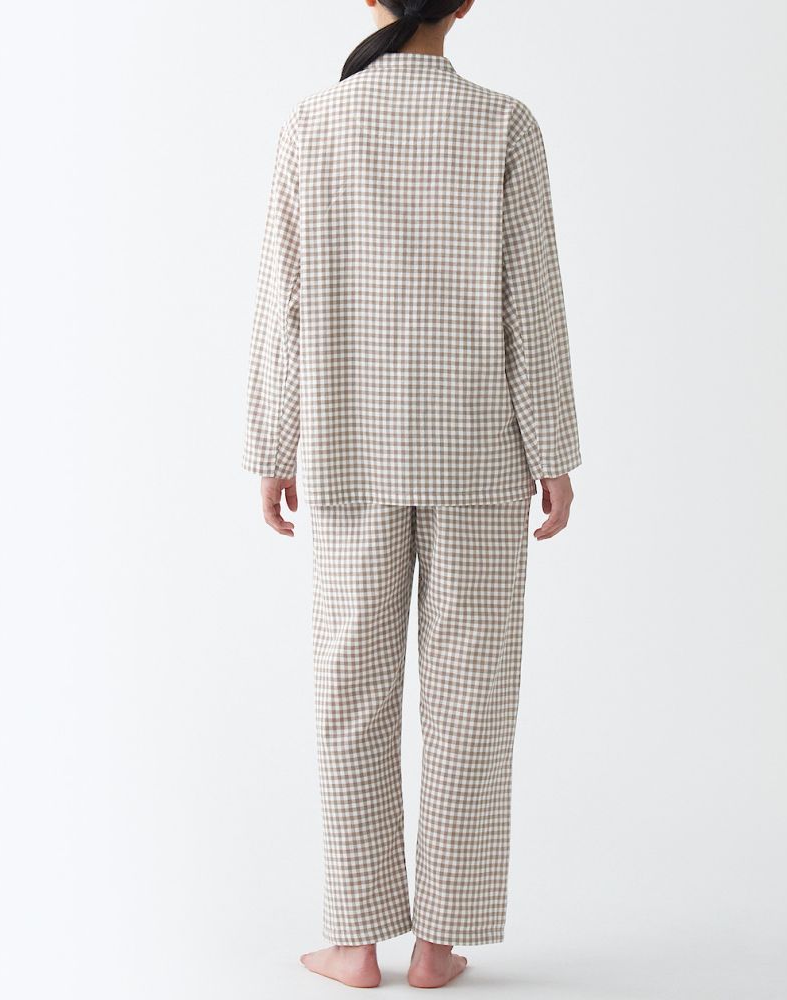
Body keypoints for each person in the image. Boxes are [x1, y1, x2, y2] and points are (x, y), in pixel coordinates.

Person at [243, 0, 581, 988]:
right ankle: (439, 941)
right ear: (464, 3)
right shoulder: (504, 124)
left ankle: (355, 939)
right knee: (473, 690)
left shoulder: (313, 124)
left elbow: (282, 303)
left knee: (350, 687)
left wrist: (272, 443)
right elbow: (533, 303)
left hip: (347, 445)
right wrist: (553, 449)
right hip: (480, 450)